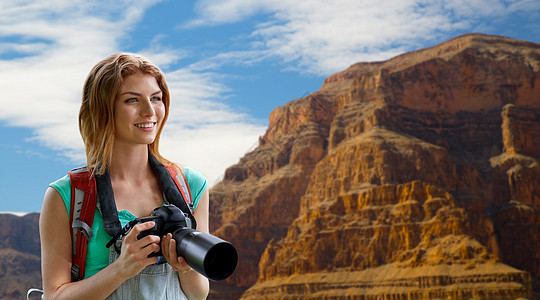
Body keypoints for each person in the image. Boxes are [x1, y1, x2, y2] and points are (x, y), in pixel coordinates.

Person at [39, 53, 210, 299]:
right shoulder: (67, 195)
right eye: (132, 100)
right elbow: (55, 296)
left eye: (156, 98)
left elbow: (198, 294)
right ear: (102, 109)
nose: (149, 111)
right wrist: (121, 269)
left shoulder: (191, 186)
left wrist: (185, 268)